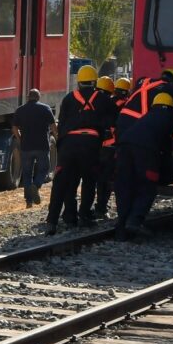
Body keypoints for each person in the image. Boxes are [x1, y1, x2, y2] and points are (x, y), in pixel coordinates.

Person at [47, 65, 111, 234]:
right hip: (89, 145)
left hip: (68, 145)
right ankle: (84, 216)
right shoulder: (103, 99)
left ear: (78, 82)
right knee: (89, 182)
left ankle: (54, 221)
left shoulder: (69, 98)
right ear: (94, 81)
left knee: (63, 183)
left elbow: (62, 122)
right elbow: (111, 122)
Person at [115, 92, 173, 239]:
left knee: (125, 186)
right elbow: (168, 147)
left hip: (124, 146)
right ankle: (135, 221)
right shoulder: (169, 118)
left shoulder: (147, 116)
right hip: (145, 150)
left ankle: (121, 226)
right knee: (147, 187)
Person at [12, 88, 57, 208]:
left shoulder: (20, 110)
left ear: (28, 97)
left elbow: (14, 129)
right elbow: (53, 127)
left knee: (27, 173)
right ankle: (36, 185)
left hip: (26, 147)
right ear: (39, 97)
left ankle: (28, 202)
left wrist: (20, 139)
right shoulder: (45, 108)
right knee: (44, 169)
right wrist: (58, 138)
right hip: (42, 146)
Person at [95, 77, 132, 218]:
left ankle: (100, 207)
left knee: (101, 179)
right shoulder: (126, 105)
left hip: (101, 146)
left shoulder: (105, 102)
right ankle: (106, 208)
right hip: (114, 147)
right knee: (112, 179)